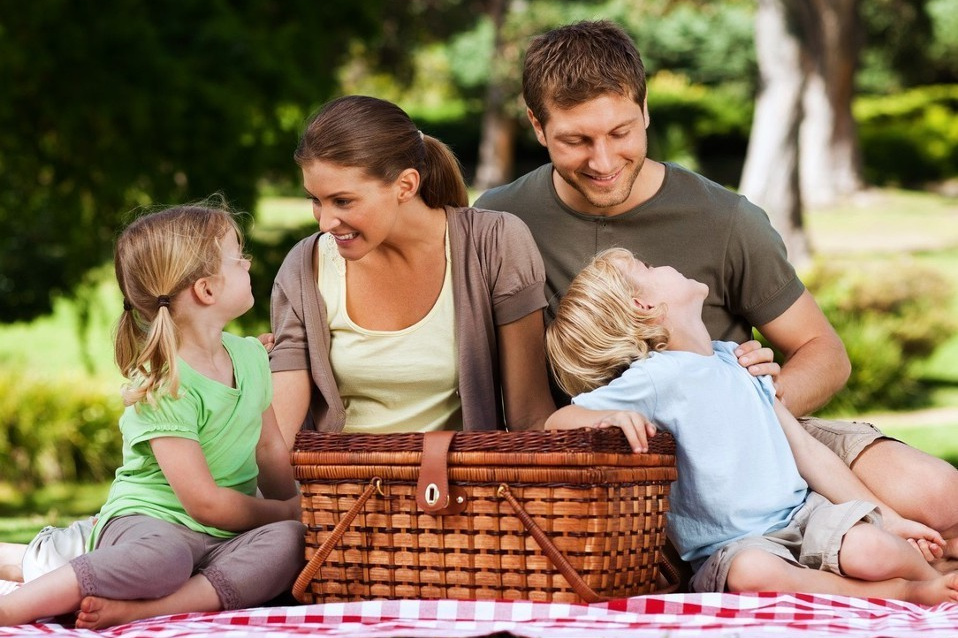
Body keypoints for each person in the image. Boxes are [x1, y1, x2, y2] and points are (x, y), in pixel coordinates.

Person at [473, 19, 958, 559]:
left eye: (621, 133)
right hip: (607, 467)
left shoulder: (725, 219)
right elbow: (526, 412)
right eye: (576, 140)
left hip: (762, 440)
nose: (603, 161)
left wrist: (743, 403)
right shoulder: (499, 221)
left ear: (645, 110)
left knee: (941, 499)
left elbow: (824, 353)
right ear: (537, 126)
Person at [544, 248, 957, 603]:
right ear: (645, 307)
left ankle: (936, 584)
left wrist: (889, 518)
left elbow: (807, 451)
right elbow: (557, 422)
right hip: (735, 546)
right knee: (752, 575)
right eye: (647, 267)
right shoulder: (654, 378)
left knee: (874, 548)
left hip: (804, 515)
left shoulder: (735, 359)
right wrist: (608, 416)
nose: (660, 265)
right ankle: (904, 593)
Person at [0, 203, 304, 628]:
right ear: (206, 290)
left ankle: (147, 608)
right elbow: (204, 503)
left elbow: (269, 448)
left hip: (225, 536)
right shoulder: (164, 384)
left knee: (292, 542)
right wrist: (285, 511)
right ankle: (12, 608)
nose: (248, 263)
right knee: (165, 558)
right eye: (238, 257)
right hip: (153, 524)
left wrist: (299, 510)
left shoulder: (251, 357)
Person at [268, 95, 555, 447]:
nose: (325, 223)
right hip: (340, 481)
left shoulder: (495, 243)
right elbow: (278, 438)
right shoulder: (305, 266)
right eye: (316, 200)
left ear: (406, 185)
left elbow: (530, 416)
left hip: (456, 480)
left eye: (343, 201)